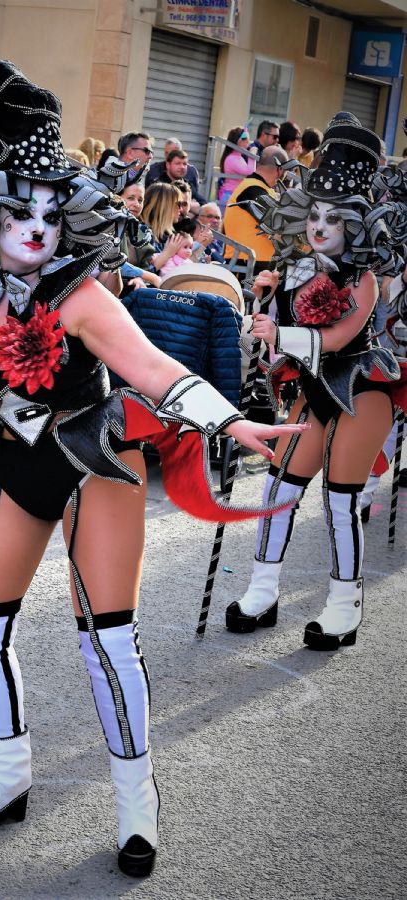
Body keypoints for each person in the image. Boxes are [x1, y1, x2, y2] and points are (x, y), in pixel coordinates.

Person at [0, 48, 304, 879]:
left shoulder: (81, 296)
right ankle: (7, 770)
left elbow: (153, 370)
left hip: (93, 461)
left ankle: (136, 804)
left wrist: (230, 419)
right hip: (15, 467)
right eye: (17, 214)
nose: (35, 230)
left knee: (106, 640)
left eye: (49, 212)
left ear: (68, 216)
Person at [227, 113, 406, 650]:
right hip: (313, 393)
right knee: (278, 488)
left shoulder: (365, 278)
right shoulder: (297, 270)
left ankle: (344, 605)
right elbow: (270, 341)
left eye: (336, 218)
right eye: (315, 216)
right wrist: (262, 299)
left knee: (340, 500)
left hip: (361, 390)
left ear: (358, 222)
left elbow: (338, 337)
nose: (320, 227)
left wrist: (278, 330)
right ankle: (262, 590)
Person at [223, 144, 289, 274]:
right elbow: (279, 224)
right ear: (280, 169)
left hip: (258, 265)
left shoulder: (262, 189)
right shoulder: (251, 189)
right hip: (247, 266)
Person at [218, 126, 256, 207]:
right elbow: (250, 173)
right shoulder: (231, 158)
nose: (249, 142)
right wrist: (252, 156)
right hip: (230, 195)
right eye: (247, 140)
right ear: (239, 142)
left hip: (235, 194)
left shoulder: (238, 157)